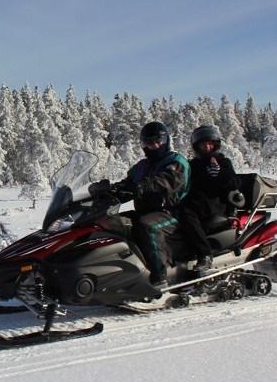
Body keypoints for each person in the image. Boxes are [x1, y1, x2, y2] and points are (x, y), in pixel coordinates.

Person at [90, 121, 190, 289]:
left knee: (147, 227)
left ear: (166, 141)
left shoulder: (176, 161)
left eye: (158, 141)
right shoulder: (142, 166)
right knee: (110, 221)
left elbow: (167, 181)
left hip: (171, 212)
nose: (155, 146)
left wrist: (145, 186)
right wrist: (109, 190)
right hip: (144, 210)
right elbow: (128, 183)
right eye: (150, 143)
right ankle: (121, 271)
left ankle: (160, 275)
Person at [179, 125, 241, 276]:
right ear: (197, 146)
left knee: (186, 213)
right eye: (203, 144)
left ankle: (204, 254)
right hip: (197, 202)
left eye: (210, 143)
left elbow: (234, 183)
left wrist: (219, 175)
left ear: (216, 144)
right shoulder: (193, 164)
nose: (207, 147)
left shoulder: (223, 162)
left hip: (216, 205)